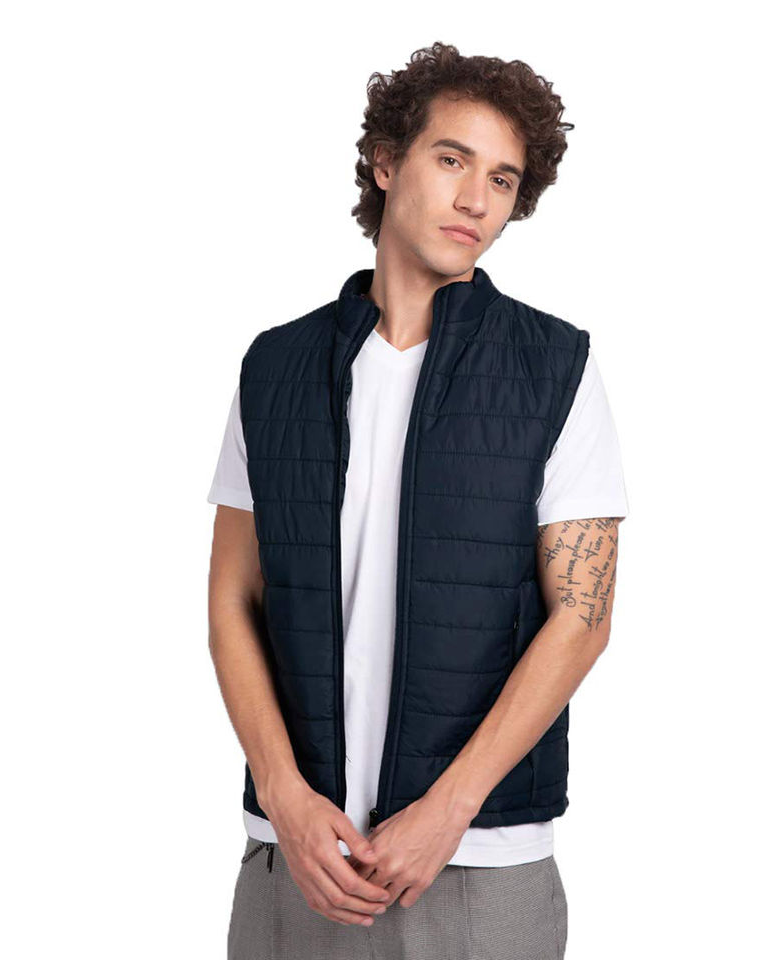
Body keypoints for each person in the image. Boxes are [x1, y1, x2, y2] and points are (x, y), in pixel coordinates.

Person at [207, 41, 629, 960]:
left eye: (503, 180)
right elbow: (233, 600)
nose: (476, 199)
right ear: (387, 161)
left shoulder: (555, 370)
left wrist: (449, 810)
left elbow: (583, 617)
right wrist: (284, 796)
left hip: (478, 868)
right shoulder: (275, 369)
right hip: (294, 862)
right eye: (451, 160)